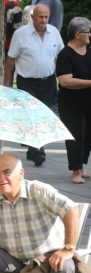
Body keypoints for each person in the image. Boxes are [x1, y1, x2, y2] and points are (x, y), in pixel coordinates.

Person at [4, 4, 63, 166]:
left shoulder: (54, 33)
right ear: (32, 17)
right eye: (40, 17)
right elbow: (10, 59)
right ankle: (38, 151)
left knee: (42, 117)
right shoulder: (21, 34)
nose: (43, 21)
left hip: (48, 80)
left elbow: (62, 55)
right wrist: (8, 82)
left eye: (46, 17)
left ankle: (32, 150)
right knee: (32, 116)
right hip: (27, 82)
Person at [55, 17, 91, 184]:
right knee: (76, 136)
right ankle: (75, 171)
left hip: (88, 101)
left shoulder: (89, 50)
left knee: (88, 136)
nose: (90, 35)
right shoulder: (65, 55)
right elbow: (65, 81)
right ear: (78, 34)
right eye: (88, 32)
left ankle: (82, 166)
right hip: (71, 103)